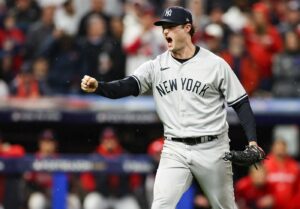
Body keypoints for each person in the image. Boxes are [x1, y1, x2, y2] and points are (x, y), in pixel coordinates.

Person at [81, 6, 262, 209]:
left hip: (213, 148)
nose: (165, 31)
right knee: (160, 205)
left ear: (187, 28)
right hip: (175, 149)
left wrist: (253, 142)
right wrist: (99, 87)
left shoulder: (215, 64)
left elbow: (241, 103)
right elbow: (126, 86)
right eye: (163, 27)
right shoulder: (156, 66)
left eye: (171, 27)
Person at [80, 127, 142, 209]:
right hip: (102, 196)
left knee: (133, 207)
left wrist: (129, 187)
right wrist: (96, 186)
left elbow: (135, 180)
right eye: (106, 139)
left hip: (121, 197)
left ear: (117, 140)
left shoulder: (126, 156)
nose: (109, 141)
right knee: (91, 203)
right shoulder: (95, 157)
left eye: (112, 138)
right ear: (102, 140)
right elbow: (86, 180)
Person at [263, 138, 300, 209]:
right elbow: (256, 185)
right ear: (272, 148)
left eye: (282, 148)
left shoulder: (294, 166)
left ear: (286, 149)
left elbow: (298, 189)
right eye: (278, 147)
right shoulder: (265, 165)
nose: (280, 150)